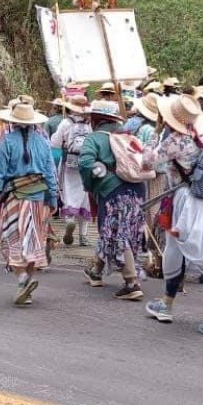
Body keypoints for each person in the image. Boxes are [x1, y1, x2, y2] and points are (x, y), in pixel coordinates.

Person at [142, 95, 203, 337]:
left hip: (188, 202)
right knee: (194, 251)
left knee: (200, 255)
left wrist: (155, 134)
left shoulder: (175, 140)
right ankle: (166, 302)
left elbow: (146, 163)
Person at [0, 101, 58, 306]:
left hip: (15, 199)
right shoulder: (43, 142)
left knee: (12, 242)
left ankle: (24, 279)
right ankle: (26, 288)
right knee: (33, 242)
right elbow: (50, 173)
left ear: (12, 121)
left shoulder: (7, 142)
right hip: (38, 200)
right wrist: (53, 198)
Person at [78, 100, 144, 300]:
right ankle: (96, 271)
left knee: (116, 232)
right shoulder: (128, 136)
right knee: (118, 230)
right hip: (137, 189)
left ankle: (131, 282)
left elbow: (86, 164)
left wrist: (90, 184)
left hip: (112, 190)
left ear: (95, 119)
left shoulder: (94, 138)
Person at [51, 95, 92, 246]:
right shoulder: (90, 124)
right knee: (85, 195)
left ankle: (69, 220)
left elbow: (54, 143)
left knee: (68, 192)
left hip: (69, 164)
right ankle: (84, 236)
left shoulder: (65, 123)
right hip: (87, 164)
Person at [44, 98, 66, 169]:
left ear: (55, 108)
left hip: (54, 152)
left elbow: (45, 139)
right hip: (68, 152)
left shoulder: (49, 121)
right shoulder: (69, 121)